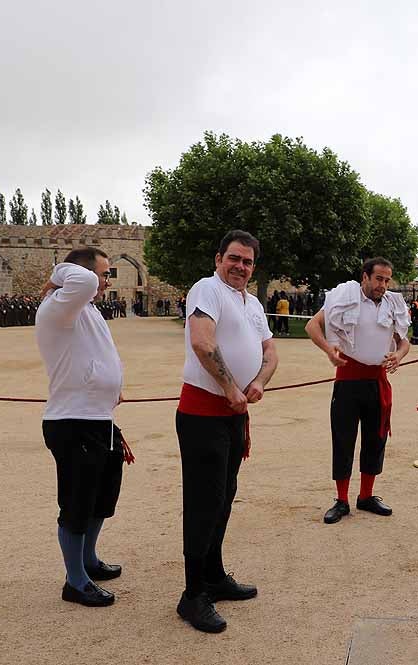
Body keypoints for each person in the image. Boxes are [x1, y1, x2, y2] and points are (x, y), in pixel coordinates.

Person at [175, 230, 278, 633]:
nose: (240, 266)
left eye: (248, 262)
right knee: (203, 502)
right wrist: (230, 386)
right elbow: (202, 343)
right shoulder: (207, 289)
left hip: (233, 415)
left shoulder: (252, 303)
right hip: (204, 412)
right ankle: (192, 593)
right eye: (234, 258)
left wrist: (259, 382)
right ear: (219, 258)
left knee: (223, 498)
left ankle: (213, 576)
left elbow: (271, 353)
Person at [36, 248, 128, 608]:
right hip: (72, 421)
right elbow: (84, 279)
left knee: (101, 498)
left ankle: (88, 559)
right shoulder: (59, 307)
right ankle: (75, 581)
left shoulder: (86, 307)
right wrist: (62, 272)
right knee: (77, 503)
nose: (107, 281)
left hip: (98, 418)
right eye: (105, 274)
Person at [305, 257, 410, 525]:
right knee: (344, 439)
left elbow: (404, 342)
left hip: (377, 382)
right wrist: (330, 350)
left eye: (387, 280)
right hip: (348, 380)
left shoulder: (393, 304)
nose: (383, 285)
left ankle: (366, 495)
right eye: (378, 279)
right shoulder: (344, 298)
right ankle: (341, 500)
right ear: (365, 276)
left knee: (376, 440)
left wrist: (398, 355)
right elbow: (312, 326)